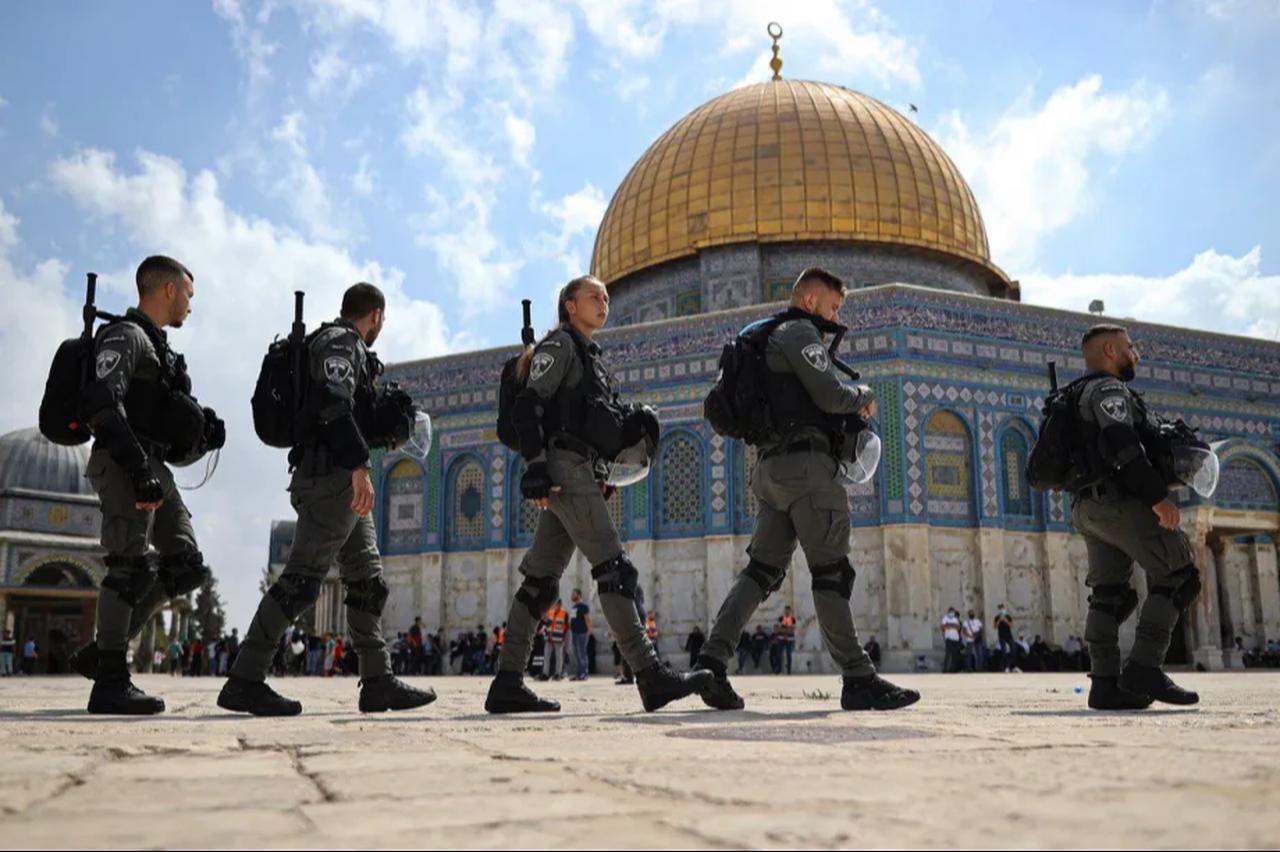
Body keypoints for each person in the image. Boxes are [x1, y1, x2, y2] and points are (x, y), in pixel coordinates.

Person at [693, 268, 917, 712]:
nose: (835, 317)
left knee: (760, 572)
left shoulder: (763, 339)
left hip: (770, 470)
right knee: (831, 572)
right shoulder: (798, 332)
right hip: (808, 470)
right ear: (811, 301)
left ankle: (711, 663)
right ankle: (858, 678)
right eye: (833, 307)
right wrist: (863, 394)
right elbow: (831, 396)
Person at [485, 275, 710, 714]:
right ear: (570, 306)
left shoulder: (591, 358)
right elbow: (528, 404)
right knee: (615, 569)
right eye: (593, 296)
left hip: (579, 470)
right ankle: (649, 674)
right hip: (563, 468)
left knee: (539, 584)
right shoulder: (560, 346)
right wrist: (535, 465)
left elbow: (588, 421)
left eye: (606, 296)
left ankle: (507, 681)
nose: (603, 301)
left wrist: (603, 470)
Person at [219, 283, 433, 716]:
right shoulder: (341, 343)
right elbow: (333, 404)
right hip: (332, 478)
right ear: (375, 315)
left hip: (340, 480)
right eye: (382, 319)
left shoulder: (344, 346)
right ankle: (245, 678)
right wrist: (359, 466)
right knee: (302, 580)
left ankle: (377, 681)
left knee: (367, 581)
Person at [68, 256, 225, 713]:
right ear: (169, 290)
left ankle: (101, 652)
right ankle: (110, 681)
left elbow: (162, 422)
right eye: (188, 295)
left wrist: (202, 435)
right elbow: (101, 404)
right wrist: (138, 470)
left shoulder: (161, 351)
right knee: (127, 564)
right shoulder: (126, 336)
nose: (191, 305)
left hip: (154, 465)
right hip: (124, 462)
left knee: (186, 565)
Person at [1066, 324, 1203, 709]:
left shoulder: (1073, 394)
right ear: (1110, 351)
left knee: (1109, 594)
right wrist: (1157, 498)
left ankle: (1105, 685)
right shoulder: (1108, 390)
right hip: (1119, 501)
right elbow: (1122, 445)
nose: (1136, 354)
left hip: (1086, 508)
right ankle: (1145, 666)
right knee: (1180, 576)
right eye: (1130, 347)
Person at [568, 589, 592, 681]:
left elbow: (587, 618)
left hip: (582, 632)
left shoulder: (584, 606)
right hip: (574, 632)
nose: (572, 595)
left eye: (573, 594)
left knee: (582, 653)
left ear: (579, 595)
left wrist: (589, 630)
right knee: (576, 653)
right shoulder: (574, 607)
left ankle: (584, 673)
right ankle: (579, 673)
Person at [543, 600, 569, 680]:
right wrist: (545, 633)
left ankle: (558, 674)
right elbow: (546, 624)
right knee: (546, 656)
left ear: (560, 604)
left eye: (556, 604)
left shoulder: (564, 613)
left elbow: (567, 627)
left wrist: (565, 638)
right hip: (549, 637)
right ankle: (545, 674)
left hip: (559, 638)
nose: (554, 606)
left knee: (559, 657)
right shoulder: (550, 612)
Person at [994, 604, 1016, 672]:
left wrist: (1006, 621)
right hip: (1001, 636)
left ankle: (1008, 665)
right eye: (1000, 609)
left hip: (1009, 636)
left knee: (1013, 651)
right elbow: (995, 627)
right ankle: (1004, 666)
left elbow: (1011, 625)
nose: (1002, 610)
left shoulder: (1008, 616)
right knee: (1004, 651)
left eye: (1003, 608)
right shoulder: (997, 617)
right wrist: (999, 620)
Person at [941, 608, 963, 673]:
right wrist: (953, 625)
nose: (952, 613)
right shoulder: (945, 618)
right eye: (951, 612)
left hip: (955, 639)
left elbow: (958, 627)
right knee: (948, 654)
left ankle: (953, 670)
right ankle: (945, 670)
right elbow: (943, 627)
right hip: (949, 639)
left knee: (955, 655)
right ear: (948, 612)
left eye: (953, 612)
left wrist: (949, 625)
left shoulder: (955, 619)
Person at [777, 606, 797, 675]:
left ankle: (789, 670)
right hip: (781, 638)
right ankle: (779, 670)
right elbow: (778, 629)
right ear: (784, 611)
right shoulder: (780, 618)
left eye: (788, 610)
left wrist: (783, 630)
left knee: (788, 655)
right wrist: (787, 630)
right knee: (779, 654)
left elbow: (792, 630)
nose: (787, 612)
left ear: (790, 611)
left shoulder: (793, 619)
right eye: (786, 610)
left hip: (789, 639)